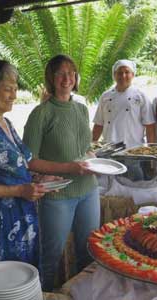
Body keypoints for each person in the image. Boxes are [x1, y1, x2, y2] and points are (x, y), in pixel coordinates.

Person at [0, 56, 91, 271]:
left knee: (25, 275)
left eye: (15, 88)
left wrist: (40, 179)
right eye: (7, 89)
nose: (14, 95)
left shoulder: (5, 123)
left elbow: (21, 163)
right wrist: (20, 189)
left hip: (23, 216)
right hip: (2, 222)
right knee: (8, 280)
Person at [23, 54, 100, 292]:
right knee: (51, 256)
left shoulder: (81, 109)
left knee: (88, 252)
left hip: (88, 190)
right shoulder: (41, 113)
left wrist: (91, 158)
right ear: (52, 78)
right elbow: (28, 161)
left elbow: (84, 148)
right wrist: (69, 168)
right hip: (58, 196)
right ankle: (42, 294)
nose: (67, 78)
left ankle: (80, 294)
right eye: (60, 73)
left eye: (71, 73)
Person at [92, 59, 156, 147]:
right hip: (108, 148)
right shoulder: (105, 96)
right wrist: (90, 147)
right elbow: (99, 124)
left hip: (133, 149)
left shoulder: (141, 96)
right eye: (119, 72)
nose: (123, 75)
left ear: (133, 75)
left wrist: (151, 151)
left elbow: (150, 126)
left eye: (127, 72)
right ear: (114, 75)